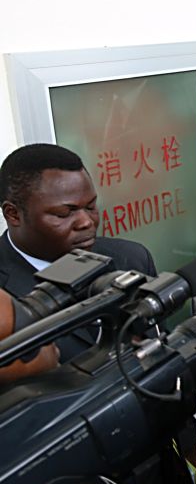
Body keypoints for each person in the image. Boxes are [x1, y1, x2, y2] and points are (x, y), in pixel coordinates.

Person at [0, 143, 157, 361]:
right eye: (65, 213)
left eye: (91, 207)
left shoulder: (131, 259)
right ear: (13, 214)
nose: (86, 222)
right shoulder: (3, 302)